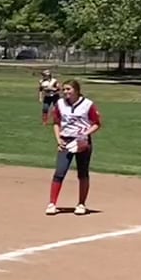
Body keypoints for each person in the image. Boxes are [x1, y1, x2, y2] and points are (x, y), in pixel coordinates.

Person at [44, 79, 101, 216]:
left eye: (68, 89)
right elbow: (56, 122)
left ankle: (81, 204)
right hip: (66, 141)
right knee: (59, 172)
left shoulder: (87, 104)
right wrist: (59, 140)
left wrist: (84, 135)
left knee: (82, 173)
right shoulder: (60, 104)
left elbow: (96, 123)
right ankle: (52, 204)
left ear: (76, 90)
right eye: (64, 89)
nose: (65, 92)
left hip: (82, 142)